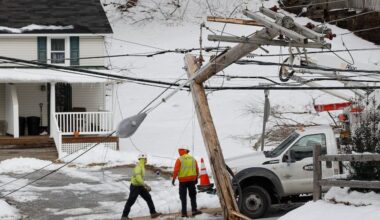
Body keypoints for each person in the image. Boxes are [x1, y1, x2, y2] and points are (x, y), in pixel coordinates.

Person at [121, 154, 161, 220]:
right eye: (145, 159)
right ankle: (124, 216)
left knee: (148, 197)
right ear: (143, 159)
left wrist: (156, 171)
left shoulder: (142, 166)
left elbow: (149, 169)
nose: (146, 160)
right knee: (131, 201)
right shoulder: (138, 167)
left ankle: (153, 213)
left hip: (140, 186)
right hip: (135, 187)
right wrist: (145, 185)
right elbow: (138, 178)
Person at [172, 146, 202, 217]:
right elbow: (196, 169)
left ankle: (184, 213)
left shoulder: (179, 159)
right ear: (187, 151)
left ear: (181, 151)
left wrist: (173, 179)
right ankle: (194, 210)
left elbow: (176, 170)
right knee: (192, 195)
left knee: (183, 197)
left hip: (183, 181)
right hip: (192, 180)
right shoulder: (192, 159)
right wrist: (196, 178)